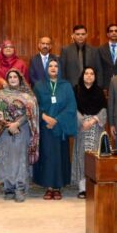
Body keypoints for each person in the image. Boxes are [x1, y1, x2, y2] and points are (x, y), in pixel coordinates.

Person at [32, 59, 77, 200]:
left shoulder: (66, 86)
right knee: (47, 156)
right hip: (45, 127)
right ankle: (48, 187)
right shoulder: (39, 86)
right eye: (50, 66)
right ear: (46, 69)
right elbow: (34, 105)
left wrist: (56, 120)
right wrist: (45, 117)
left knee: (58, 157)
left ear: (59, 69)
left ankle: (57, 187)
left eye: (56, 66)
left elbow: (71, 106)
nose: (53, 68)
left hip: (60, 126)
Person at [0, 69, 39, 203]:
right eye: (10, 77)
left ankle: (20, 188)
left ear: (20, 78)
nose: (12, 79)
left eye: (15, 77)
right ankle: (8, 188)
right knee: (6, 158)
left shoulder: (27, 94)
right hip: (4, 131)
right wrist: (8, 124)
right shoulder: (1, 94)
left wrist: (16, 124)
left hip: (21, 130)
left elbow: (31, 113)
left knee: (19, 159)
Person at [72, 67, 106, 198]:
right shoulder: (76, 90)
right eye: (86, 73)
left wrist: (94, 120)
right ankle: (82, 188)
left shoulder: (99, 91)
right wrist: (82, 121)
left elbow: (104, 108)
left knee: (94, 157)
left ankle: (94, 185)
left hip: (96, 127)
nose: (89, 76)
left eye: (92, 73)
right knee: (82, 156)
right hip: (81, 128)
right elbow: (72, 107)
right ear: (82, 75)